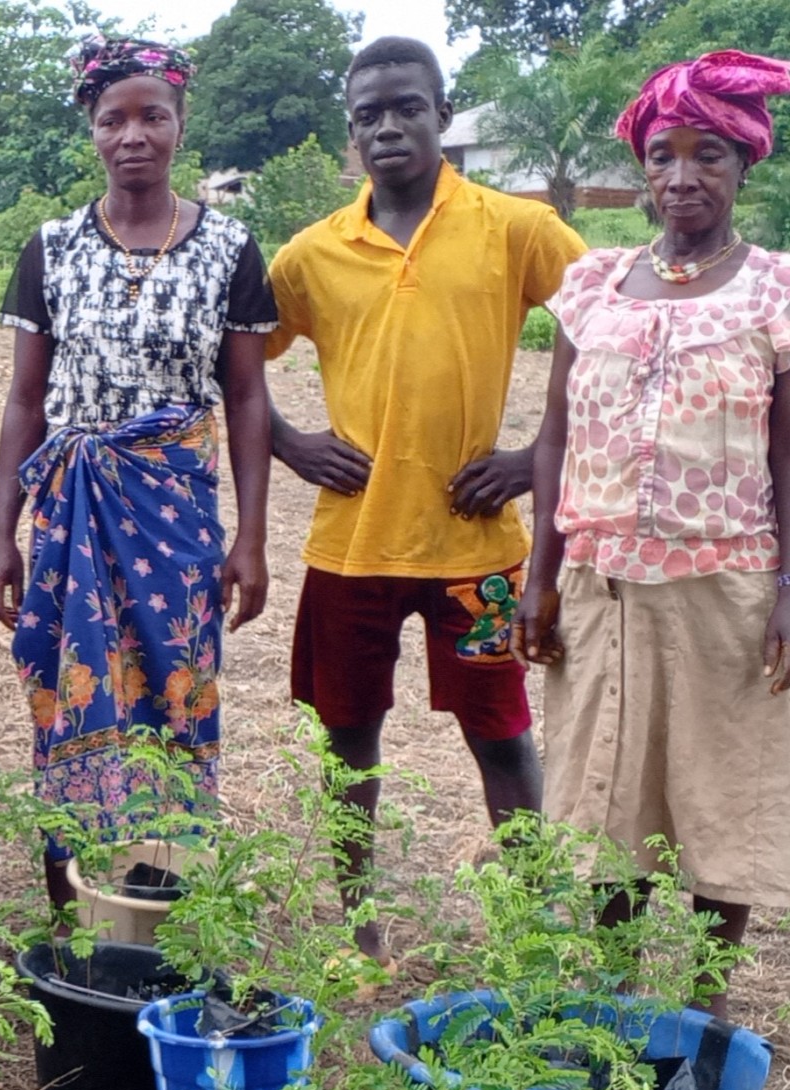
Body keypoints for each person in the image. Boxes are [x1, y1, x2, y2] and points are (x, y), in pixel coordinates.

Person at [266, 36, 587, 961]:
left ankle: (525, 931)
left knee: (504, 739)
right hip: (350, 550)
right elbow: (237, 357)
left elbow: (609, 326)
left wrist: (534, 458)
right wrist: (291, 443)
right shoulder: (313, 254)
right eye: (368, 115)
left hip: (476, 548)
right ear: (351, 131)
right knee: (348, 744)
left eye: (408, 106)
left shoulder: (514, 228)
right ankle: (362, 932)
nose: (388, 126)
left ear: (444, 114)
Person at [517, 51, 790, 1018]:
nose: (683, 176)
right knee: (611, 800)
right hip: (602, 587)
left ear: (745, 164)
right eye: (663, 155)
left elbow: (785, 457)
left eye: (708, 154)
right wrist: (538, 576)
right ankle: (617, 999)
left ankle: (707, 1014)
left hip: (729, 591)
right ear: (641, 169)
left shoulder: (774, 292)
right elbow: (553, 441)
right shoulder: (592, 286)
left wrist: (789, 592)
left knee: (720, 796)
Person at [0, 36, 273, 910]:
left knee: (177, 686)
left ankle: (157, 905)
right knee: (65, 683)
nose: (133, 134)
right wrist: (0, 532)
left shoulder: (229, 248)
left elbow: (249, 397)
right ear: (93, 132)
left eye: (153, 116)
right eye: (114, 119)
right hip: (70, 504)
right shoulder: (52, 246)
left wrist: (250, 539)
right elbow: (25, 401)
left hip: (175, 507)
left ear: (181, 127)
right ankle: (69, 908)